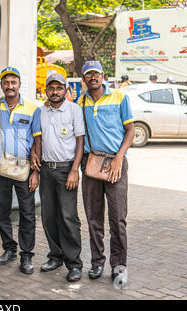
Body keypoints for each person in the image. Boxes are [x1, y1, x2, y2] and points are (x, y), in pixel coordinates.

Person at [78, 60, 135, 283]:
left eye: (96, 73)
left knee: (118, 218)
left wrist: (119, 157)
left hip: (115, 164)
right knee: (93, 218)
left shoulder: (120, 97)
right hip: (91, 165)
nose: (93, 77)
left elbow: (130, 130)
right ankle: (97, 262)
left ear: (103, 76)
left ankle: (119, 264)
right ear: (84, 79)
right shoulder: (80, 101)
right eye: (88, 75)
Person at [0, 67, 41, 275]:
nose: (9, 86)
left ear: (19, 84)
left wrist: (36, 172)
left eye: (13, 82)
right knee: (1, 210)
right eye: (6, 82)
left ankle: (26, 255)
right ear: (1, 85)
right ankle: (9, 249)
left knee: (27, 212)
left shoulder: (33, 108)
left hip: (23, 167)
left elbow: (38, 140)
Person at [31, 73, 85, 282]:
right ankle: (55, 256)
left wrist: (74, 170)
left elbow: (80, 141)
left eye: (59, 88)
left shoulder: (74, 110)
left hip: (66, 170)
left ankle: (74, 263)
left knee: (68, 217)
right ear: (46, 90)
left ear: (66, 90)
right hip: (46, 169)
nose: (55, 92)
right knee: (49, 216)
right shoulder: (40, 111)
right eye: (51, 88)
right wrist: (35, 163)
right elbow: (38, 140)